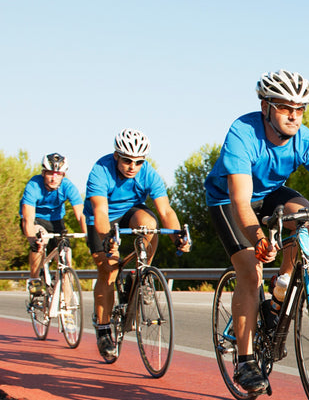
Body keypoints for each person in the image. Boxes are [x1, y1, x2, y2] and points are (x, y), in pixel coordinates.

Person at [204, 69, 309, 394]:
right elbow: (241, 202)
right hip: (228, 200)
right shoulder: (243, 132)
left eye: (300, 110)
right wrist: (258, 240)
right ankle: (245, 360)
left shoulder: (306, 140)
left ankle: (283, 285)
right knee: (251, 274)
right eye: (286, 108)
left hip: (269, 194)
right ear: (266, 106)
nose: (294, 117)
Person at [85, 129, 191, 359]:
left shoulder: (149, 174)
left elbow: (165, 210)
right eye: (127, 160)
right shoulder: (100, 171)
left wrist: (178, 237)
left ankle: (141, 275)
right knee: (109, 270)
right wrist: (107, 240)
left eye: (138, 162)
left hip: (130, 212)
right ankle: (103, 331)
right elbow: (101, 211)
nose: (132, 166)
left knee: (150, 223)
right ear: (116, 156)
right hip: (102, 218)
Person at [20, 153, 87, 292]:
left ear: (63, 175)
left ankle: (67, 306)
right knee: (40, 242)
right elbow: (28, 219)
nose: (54, 178)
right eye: (50, 173)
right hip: (36, 220)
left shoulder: (68, 186)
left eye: (58, 174)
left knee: (66, 255)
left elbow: (81, 215)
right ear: (43, 173)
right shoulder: (33, 185)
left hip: (56, 220)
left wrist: (89, 235)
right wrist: (34, 241)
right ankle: (35, 280)